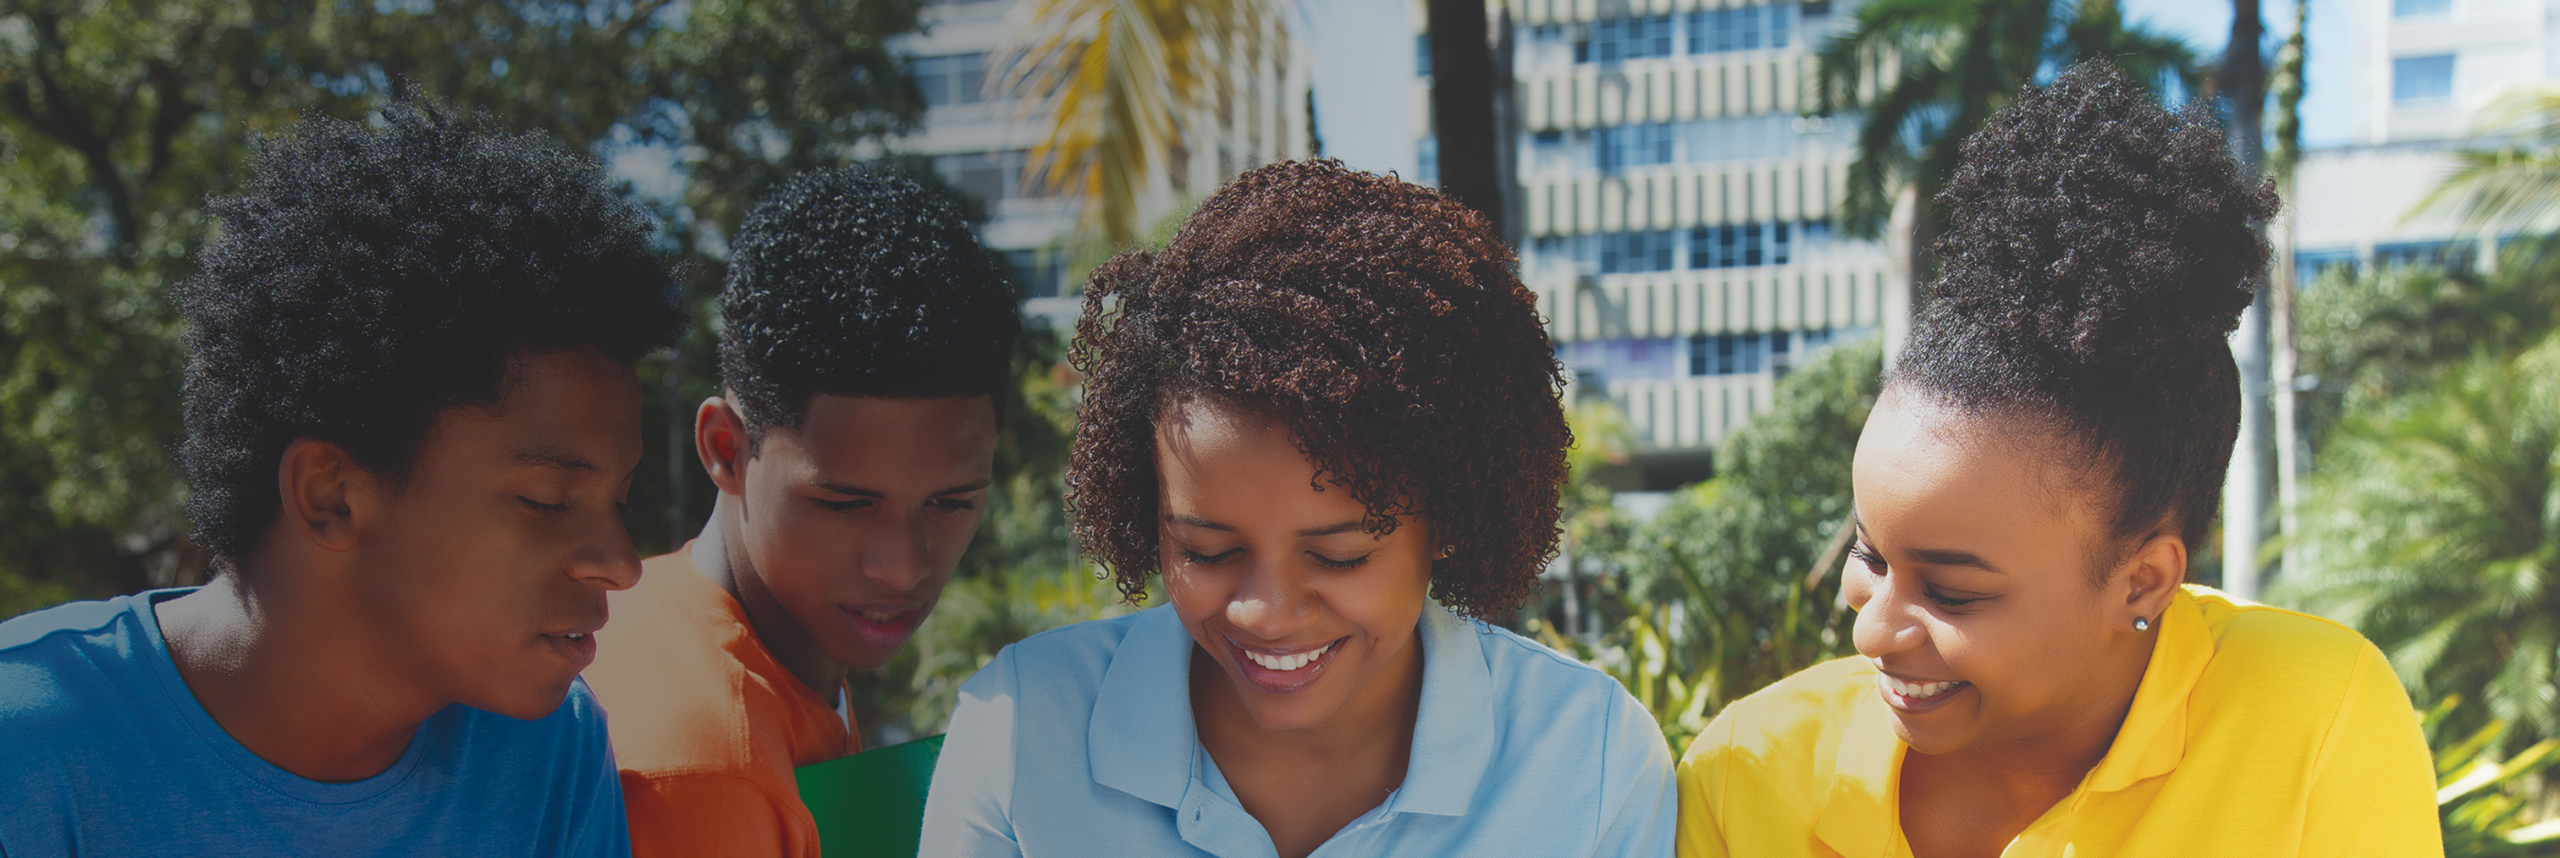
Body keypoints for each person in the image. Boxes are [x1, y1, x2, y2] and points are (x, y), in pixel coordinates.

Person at [1674, 63, 2442, 858]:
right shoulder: (1748, 775)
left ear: (2143, 579)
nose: (1871, 628)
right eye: (1871, 553)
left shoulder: (2315, 712)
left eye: (1952, 592)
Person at [920, 159, 1679, 858]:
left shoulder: (1591, 761)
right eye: (1207, 551)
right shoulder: (1020, 733)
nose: (1267, 614)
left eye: (1339, 555)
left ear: (1447, 518)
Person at [0, 101, 685, 855]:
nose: (620, 564)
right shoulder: (29, 741)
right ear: (330, 495)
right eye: (547, 500)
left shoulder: (551, 751)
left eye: (615, 499)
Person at [580, 166, 1021, 858]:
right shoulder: (715, 771)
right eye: (844, 503)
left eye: (950, 502)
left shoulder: (730, 626)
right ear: (726, 449)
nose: (901, 567)